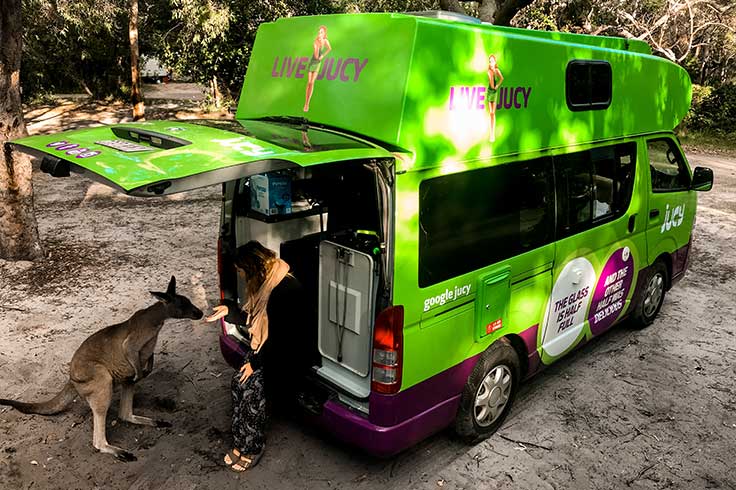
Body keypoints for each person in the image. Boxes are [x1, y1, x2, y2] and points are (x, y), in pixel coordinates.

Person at [205, 241, 290, 473]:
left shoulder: (283, 290)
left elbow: (282, 339)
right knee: (237, 383)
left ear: (253, 268)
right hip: (265, 348)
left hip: (283, 353)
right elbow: (252, 319)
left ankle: (252, 447)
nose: (241, 277)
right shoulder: (265, 284)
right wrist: (229, 311)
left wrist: (254, 363)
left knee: (250, 389)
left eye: (242, 272)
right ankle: (241, 441)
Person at [303, 25, 332, 112]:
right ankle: (306, 103)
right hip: (313, 62)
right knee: (309, 82)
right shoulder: (316, 42)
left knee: (312, 82)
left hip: (318, 63)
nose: (320, 34)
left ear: (324, 33)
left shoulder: (326, 41)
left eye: (322, 32)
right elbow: (315, 56)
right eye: (319, 32)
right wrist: (318, 46)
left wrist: (322, 56)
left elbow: (329, 49)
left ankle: (307, 103)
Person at [486, 54, 504, 142]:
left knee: (493, 113)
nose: (491, 63)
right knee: (491, 113)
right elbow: (491, 83)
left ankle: (493, 134)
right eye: (490, 61)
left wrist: (497, 86)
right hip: (489, 92)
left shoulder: (496, 70)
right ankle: (491, 134)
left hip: (494, 92)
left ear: (495, 62)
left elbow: (501, 79)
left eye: (492, 61)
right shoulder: (489, 72)